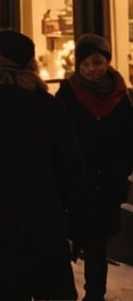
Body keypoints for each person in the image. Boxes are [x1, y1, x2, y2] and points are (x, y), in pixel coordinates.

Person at [0, 30, 78, 301]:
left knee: (2, 290)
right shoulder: (47, 105)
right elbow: (68, 164)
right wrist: (69, 212)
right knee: (44, 287)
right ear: (30, 63)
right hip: (42, 216)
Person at [57, 34, 133, 301]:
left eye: (98, 62)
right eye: (86, 64)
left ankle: (94, 294)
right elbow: (58, 135)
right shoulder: (67, 93)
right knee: (71, 236)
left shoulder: (120, 96)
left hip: (107, 183)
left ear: (107, 62)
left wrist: (121, 167)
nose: (92, 69)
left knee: (97, 242)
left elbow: (129, 138)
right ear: (78, 66)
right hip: (76, 181)